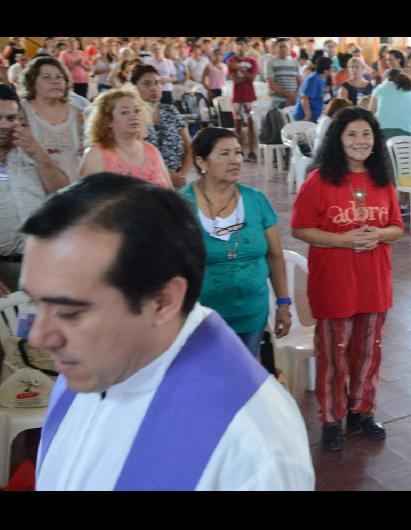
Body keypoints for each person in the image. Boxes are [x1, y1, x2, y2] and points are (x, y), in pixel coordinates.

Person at [21, 172, 314, 490]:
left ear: (162, 301)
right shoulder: (86, 363)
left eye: (70, 312)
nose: (39, 337)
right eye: (36, 304)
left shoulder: (250, 443)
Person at [291, 107, 403, 452]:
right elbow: (300, 228)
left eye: (366, 134)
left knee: (368, 352)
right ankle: (331, 418)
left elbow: (397, 227)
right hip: (334, 282)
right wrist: (343, 240)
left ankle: (361, 411)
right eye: (352, 134)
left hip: (373, 281)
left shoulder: (381, 179)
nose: (360, 141)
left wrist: (379, 233)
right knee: (334, 355)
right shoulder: (320, 180)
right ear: (338, 140)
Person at [180, 127, 292, 355]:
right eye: (224, 154)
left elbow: (275, 256)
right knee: (207, 381)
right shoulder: (181, 205)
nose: (235, 160)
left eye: (238, 153)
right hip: (200, 317)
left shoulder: (256, 200)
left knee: (243, 383)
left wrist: (283, 304)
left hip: (252, 315)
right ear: (202, 162)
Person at [0, 83, 70, 295]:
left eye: (11, 118)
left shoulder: (30, 151)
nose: (4, 125)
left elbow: (62, 189)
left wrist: (38, 154)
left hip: (43, 263)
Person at [78, 87, 171, 188]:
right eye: (125, 112)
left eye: (137, 111)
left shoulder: (151, 150)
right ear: (108, 120)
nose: (133, 116)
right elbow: (86, 200)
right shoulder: (96, 154)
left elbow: (170, 193)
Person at [19, 56, 84, 182]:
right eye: (46, 77)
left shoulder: (78, 114)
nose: (55, 81)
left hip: (72, 191)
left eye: (59, 77)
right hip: (34, 191)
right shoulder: (21, 112)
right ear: (32, 82)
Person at [132, 64, 192, 189]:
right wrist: (165, 177)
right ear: (135, 88)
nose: (154, 88)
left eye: (157, 83)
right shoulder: (132, 116)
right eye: (147, 84)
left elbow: (189, 147)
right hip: (143, 186)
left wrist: (181, 176)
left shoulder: (171, 111)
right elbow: (129, 157)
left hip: (176, 184)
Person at [369, 69, 411, 139]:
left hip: (382, 131)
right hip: (407, 132)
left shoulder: (380, 88)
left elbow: (370, 112)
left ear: (386, 79)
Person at [227, 37, 260, 162]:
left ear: (247, 45)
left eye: (242, 44)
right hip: (237, 97)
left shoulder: (252, 60)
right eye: (238, 44)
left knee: (251, 124)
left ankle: (252, 151)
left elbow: (252, 78)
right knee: (238, 125)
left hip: (250, 96)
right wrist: (245, 75)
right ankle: (239, 151)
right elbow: (236, 80)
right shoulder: (231, 60)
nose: (240, 46)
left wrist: (239, 69)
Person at [294, 56, 333, 123]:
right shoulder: (313, 79)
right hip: (305, 117)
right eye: (331, 67)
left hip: (315, 116)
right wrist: (307, 115)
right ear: (325, 70)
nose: (332, 69)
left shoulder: (322, 78)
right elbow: (304, 97)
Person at [266, 37, 302, 110]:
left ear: (289, 48)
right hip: (278, 100)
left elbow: (300, 82)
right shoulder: (271, 63)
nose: (283, 49)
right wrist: (290, 95)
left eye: (285, 46)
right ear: (275, 49)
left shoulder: (295, 62)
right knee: (278, 120)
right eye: (280, 47)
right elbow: (271, 84)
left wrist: (294, 96)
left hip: (293, 100)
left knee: (294, 121)